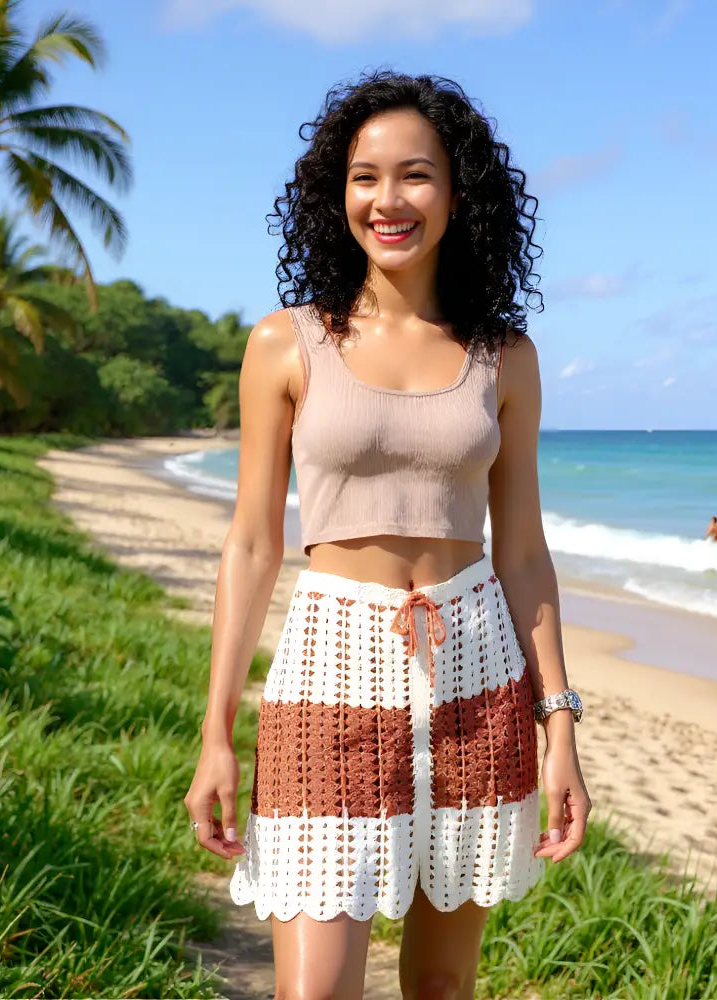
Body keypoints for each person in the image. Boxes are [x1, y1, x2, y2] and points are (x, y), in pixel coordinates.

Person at [184, 71, 590, 1000]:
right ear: (338, 194)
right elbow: (252, 544)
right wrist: (216, 731)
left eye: (415, 175)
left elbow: (523, 550)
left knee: (443, 986)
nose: (388, 200)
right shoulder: (286, 343)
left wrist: (557, 723)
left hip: (478, 677)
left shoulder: (505, 358)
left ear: (458, 191)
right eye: (365, 177)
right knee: (314, 991)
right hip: (329, 669)